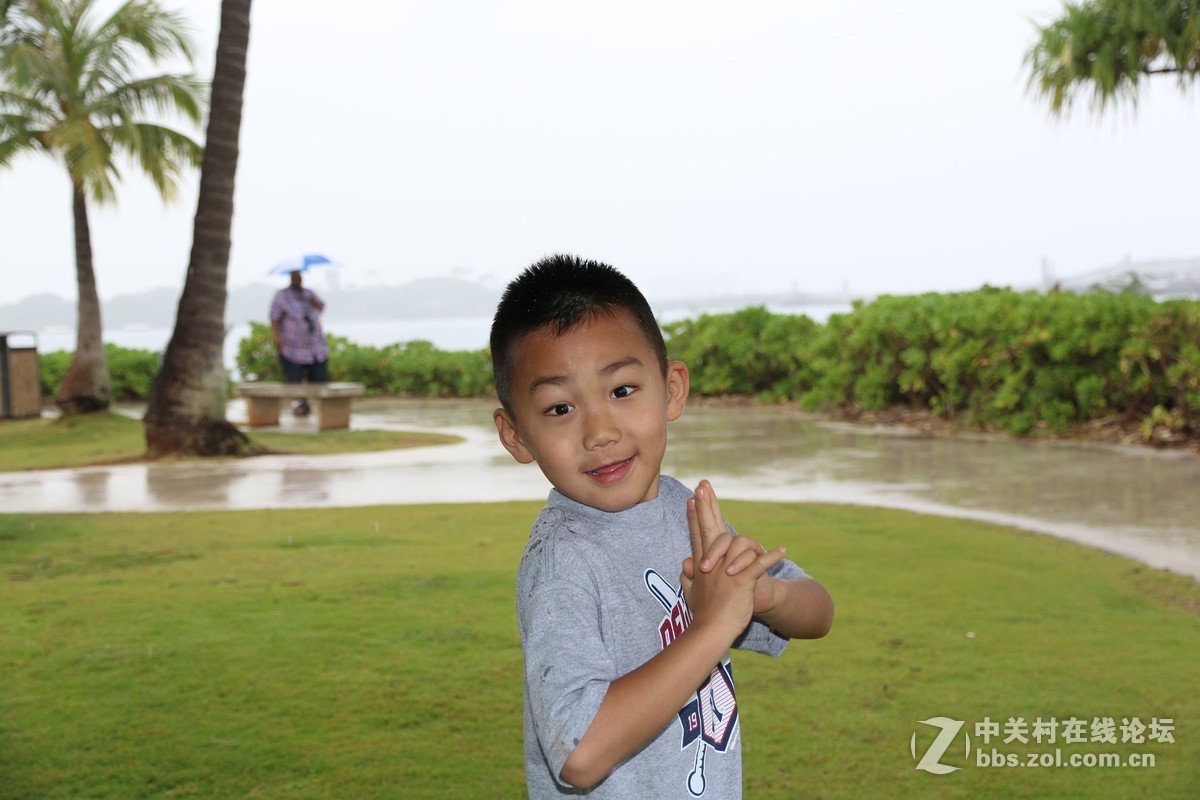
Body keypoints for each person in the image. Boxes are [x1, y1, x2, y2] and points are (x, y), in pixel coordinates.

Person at [490, 254, 834, 798]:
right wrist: (713, 627)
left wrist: (760, 594)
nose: (599, 432)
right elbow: (579, 755)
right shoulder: (565, 561)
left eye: (622, 390)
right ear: (515, 436)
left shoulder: (682, 511)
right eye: (559, 408)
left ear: (671, 389)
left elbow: (818, 612)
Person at [269, 269, 330, 416]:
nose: (298, 279)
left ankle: (309, 403)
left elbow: (322, 307)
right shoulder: (282, 296)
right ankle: (298, 404)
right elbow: (274, 318)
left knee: (318, 376)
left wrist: (314, 302)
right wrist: (278, 338)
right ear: (291, 278)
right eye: (295, 277)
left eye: (300, 276)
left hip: (314, 346)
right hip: (292, 347)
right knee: (294, 380)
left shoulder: (309, 293)